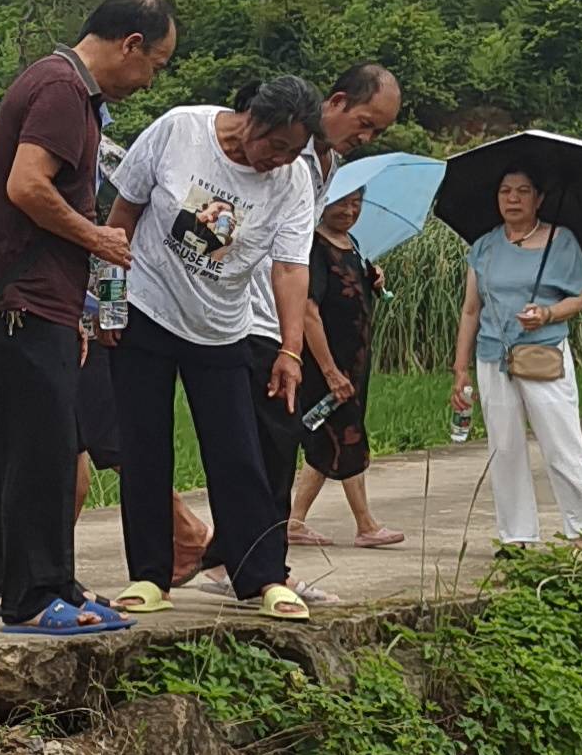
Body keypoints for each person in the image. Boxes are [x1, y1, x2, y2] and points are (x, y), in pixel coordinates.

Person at [0, 0, 178, 636]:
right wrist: (98, 237)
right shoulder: (62, 89)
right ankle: (32, 599)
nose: (152, 79)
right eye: (158, 64)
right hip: (25, 299)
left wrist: (80, 308)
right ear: (131, 45)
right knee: (44, 451)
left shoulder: (62, 85)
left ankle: (44, 582)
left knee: (31, 447)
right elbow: (26, 185)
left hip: (37, 300)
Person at [104, 79, 324, 620]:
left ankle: (263, 576)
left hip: (223, 325)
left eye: (294, 151)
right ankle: (150, 576)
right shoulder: (180, 129)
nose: (280, 160)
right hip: (146, 309)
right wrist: (106, 302)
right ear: (250, 119)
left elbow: (292, 267)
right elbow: (121, 217)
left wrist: (290, 352)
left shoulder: (293, 178)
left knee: (238, 454)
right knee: (145, 448)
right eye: (275, 146)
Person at [456, 170, 582, 545]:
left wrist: (547, 314)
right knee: (505, 447)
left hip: (543, 353)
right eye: (504, 191)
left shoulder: (560, 241)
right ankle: (516, 536)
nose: (512, 199)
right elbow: (471, 309)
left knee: (562, 443)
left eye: (522, 191)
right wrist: (459, 368)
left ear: (539, 198)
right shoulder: (483, 246)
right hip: (492, 355)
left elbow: (581, 297)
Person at [290, 185, 401, 546]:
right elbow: (308, 311)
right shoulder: (315, 248)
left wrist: (374, 279)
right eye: (342, 203)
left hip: (354, 364)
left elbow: (355, 292)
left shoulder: (351, 244)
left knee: (327, 442)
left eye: (357, 203)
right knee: (348, 435)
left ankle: (294, 520)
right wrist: (330, 372)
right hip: (328, 365)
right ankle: (366, 525)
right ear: (324, 203)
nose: (350, 210)